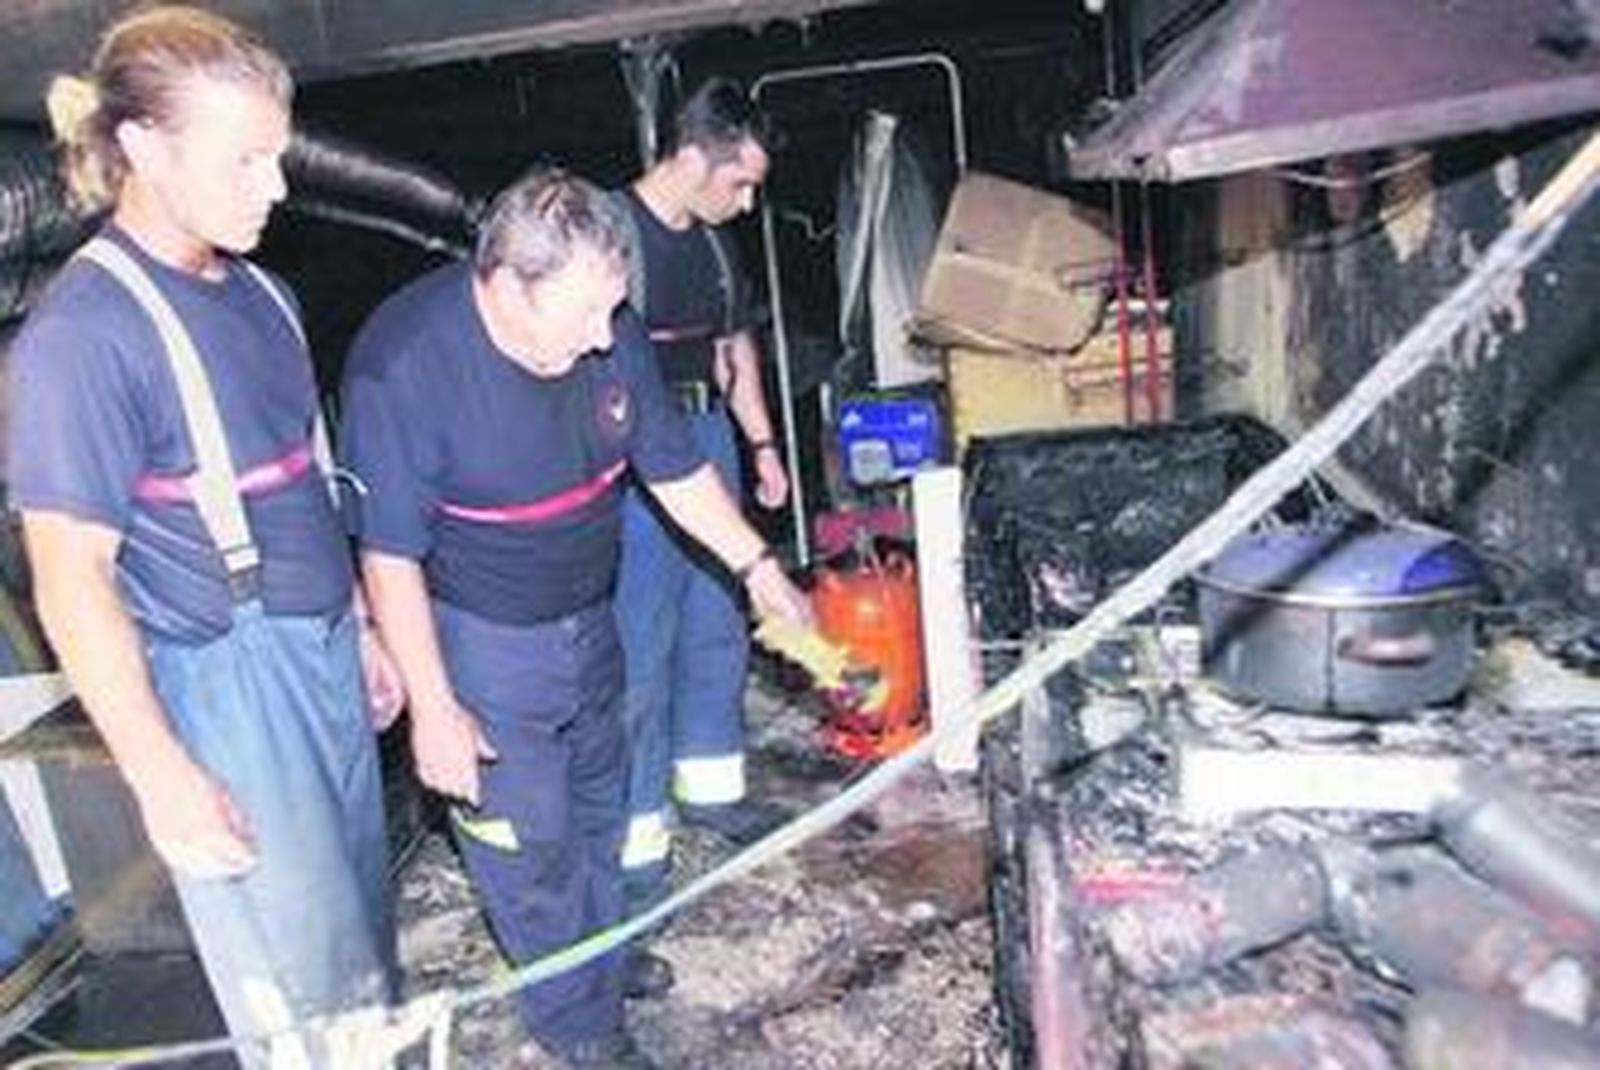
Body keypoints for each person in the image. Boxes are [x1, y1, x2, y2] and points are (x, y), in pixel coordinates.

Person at [340, 166, 811, 1069]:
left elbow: (671, 467)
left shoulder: (605, 326)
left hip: (589, 615)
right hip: (483, 643)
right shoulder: (405, 364)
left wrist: (756, 565)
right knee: (529, 845)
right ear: (506, 284)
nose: (608, 339)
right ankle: (578, 1026)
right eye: (585, 316)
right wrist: (435, 711)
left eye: (615, 311)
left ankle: (606, 957)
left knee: (604, 804)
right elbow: (389, 557)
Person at [6, 6, 400, 1065]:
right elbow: (70, 576)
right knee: (302, 989)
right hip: (227, 687)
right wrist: (159, 767)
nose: (276, 185)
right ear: (142, 148)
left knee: (362, 943)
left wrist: (359, 625)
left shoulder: (266, 293)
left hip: (316, 657)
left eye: (279, 154)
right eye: (248, 159)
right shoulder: (83, 337)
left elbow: (308, 484)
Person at [612, 78, 791, 901]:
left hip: (709, 434)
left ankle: (713, 790)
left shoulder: (718, 246)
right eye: (738, 183)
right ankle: (637, 835)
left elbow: (735, 351)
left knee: (716, 625)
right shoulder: (611, 238)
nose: (748, 203)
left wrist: (760, 446)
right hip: (631, 469)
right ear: (690, 158)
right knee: (638, 648)